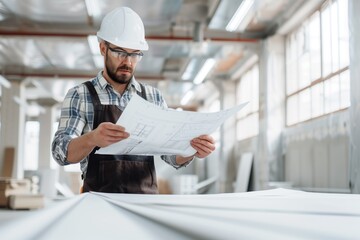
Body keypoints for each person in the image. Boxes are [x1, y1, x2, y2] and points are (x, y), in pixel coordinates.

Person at [51, 6, 216, 194]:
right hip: (98, 205)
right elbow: (60, 152)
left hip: (145, 205)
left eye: (135, 54)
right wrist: (92, 138)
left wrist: (190, 150)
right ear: (103, 48)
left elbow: (168, 155)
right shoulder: (80, 95)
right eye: (120, 52)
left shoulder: (153, 97)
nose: (128, 62)